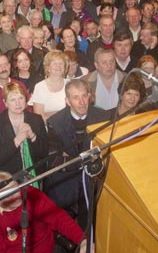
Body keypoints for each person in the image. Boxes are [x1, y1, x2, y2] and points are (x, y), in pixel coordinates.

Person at [0, 171, 87, 253]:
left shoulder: (30, 194)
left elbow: (59, 218)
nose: (18, 195)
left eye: (16, 188)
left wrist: (82, 240)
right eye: (10, 194)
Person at [46, 79, 112, 220]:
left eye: (84, 95)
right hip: (66, 186)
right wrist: (86, 161)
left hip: (95, 183)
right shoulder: (55, 122)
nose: (82, 102)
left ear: (90, 96)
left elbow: (108, 153)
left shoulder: (103, 117)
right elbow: (54, 161)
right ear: (67, 101)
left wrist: (70, 158)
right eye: (76, 97)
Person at [0, 82, 49, 176]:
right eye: (12, 100)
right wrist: (16, 141)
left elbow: (44, 152)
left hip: (35, 175)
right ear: (5, 102)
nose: (18, 103)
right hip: (9, 178)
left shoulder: (36, 119)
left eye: (21, 98)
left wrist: (32, 136)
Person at [30, 50, 69, 121]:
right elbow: (39, 117)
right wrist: (59, 115)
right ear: (48, 67)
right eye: (54, 63)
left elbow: (74, 110)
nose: (58, 66)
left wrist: (51, 114)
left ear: (65, 67)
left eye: (61, 63)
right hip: (48, 127)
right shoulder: (40, 87)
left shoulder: (70, 84)